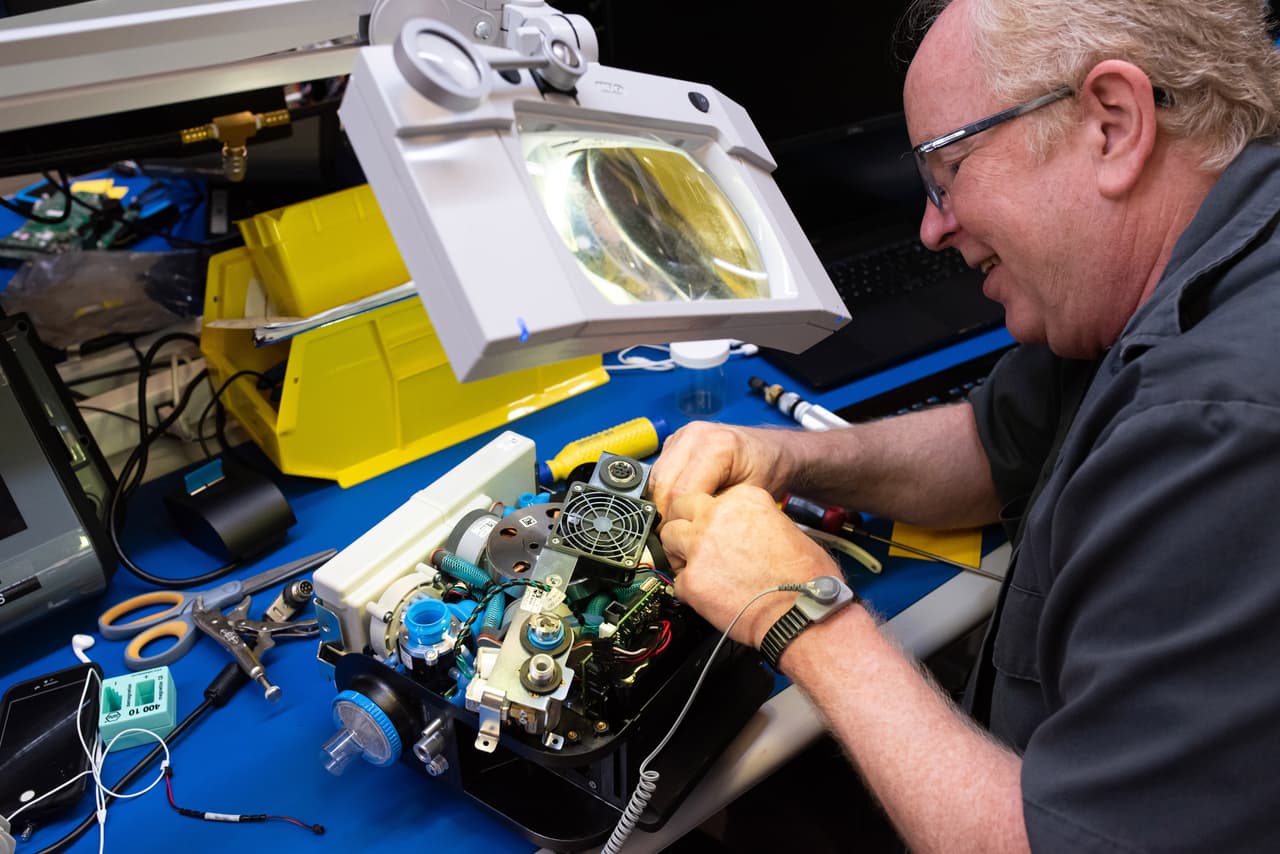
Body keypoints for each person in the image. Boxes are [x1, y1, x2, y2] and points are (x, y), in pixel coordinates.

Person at [649, 0, 1280, 850]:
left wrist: (800, 611)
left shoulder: (1225, 426)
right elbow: (992, 446)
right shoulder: (1174, 262)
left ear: (1112, 124)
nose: (932, 227)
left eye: (947, 176)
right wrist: (785, 457)